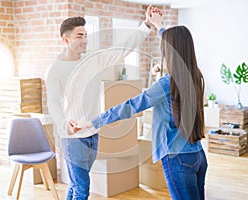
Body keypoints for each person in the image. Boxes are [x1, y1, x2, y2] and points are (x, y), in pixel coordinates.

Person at [73, 11, 208, 200]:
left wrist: (93, 122)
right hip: (198, 156)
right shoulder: (195, 76)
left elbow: (131, 106)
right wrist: (158, 25)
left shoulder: (167, 83)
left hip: (177, 159)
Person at [45, 5, 160, 200]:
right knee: (82, 188)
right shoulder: (56, 70)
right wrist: (65, 123)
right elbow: (53, 102)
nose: (85, 40)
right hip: (73, 138)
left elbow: (121, 50)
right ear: (65, 40)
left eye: (85, 35)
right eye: (79, 36)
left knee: (76, 184)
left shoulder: (92, 59)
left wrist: (146, 25)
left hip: (93, 133)